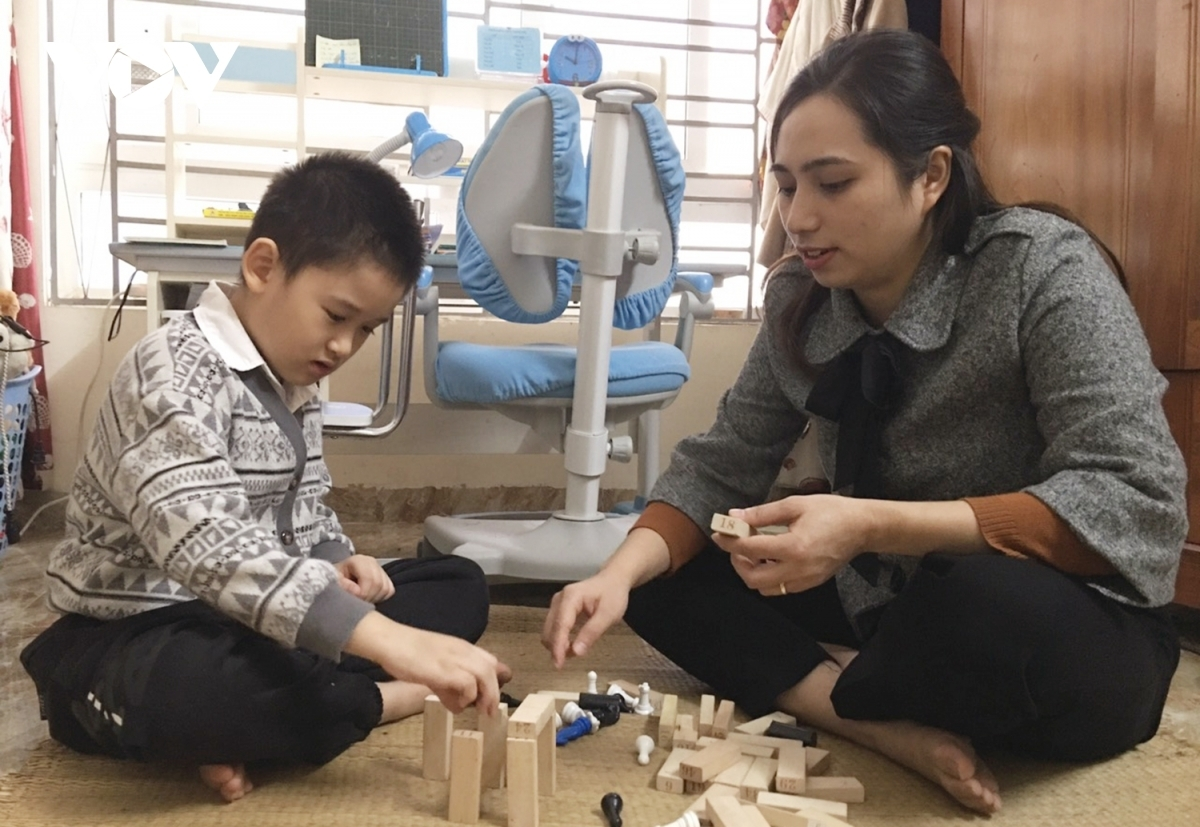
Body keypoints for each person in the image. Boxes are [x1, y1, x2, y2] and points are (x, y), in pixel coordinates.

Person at [542, 30, 1186, 815]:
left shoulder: (1042, 270)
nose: (799, 217)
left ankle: (856, 679)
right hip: (882, 607)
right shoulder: (801, 299)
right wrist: (613, 577)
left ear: (932, 175)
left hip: (1054, 613)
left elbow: (1135, 502)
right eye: (786, 186)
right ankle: (876, 720)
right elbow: (719, 464)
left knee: (982, 607)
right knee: (661, 572)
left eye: (834, 183)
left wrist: (867, 525)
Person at [21, 152, 510, 803]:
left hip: (256, 615)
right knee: (197, 689)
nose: (344, 346)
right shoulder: (170, 373)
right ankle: (385, 699)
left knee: (459, 584)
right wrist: (393, 646)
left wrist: (339, 558)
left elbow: (305, 504)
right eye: (336, 316)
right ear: (262, 266)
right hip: (139, 625)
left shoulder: (295, 374)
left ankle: (282, 712)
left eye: (366, 329)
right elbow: (208, 546)